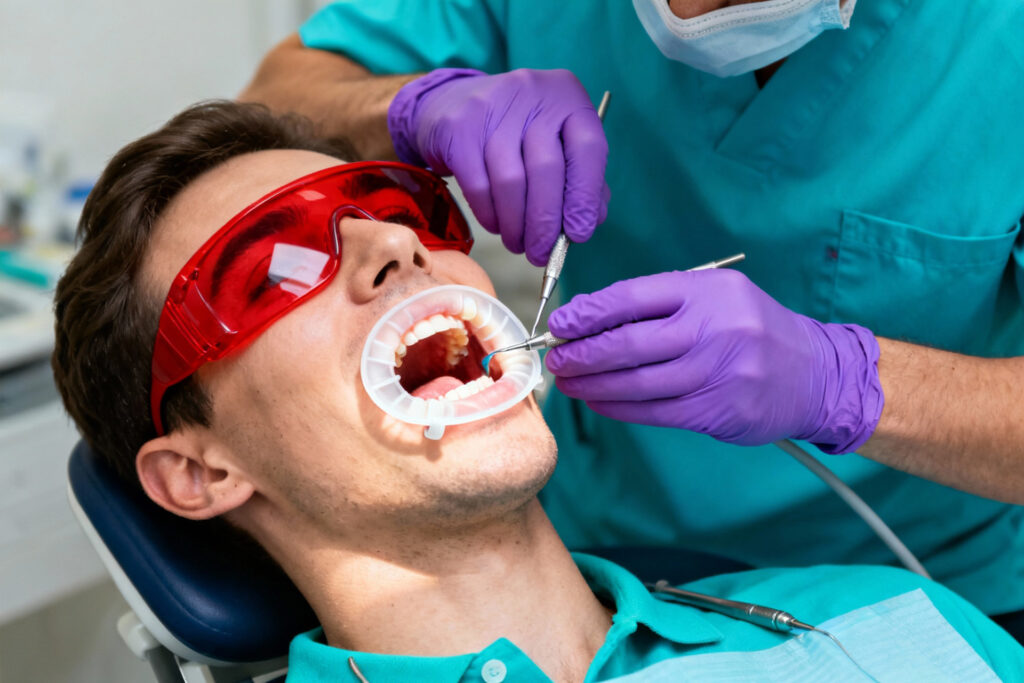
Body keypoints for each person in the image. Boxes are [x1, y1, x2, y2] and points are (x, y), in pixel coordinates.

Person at [50, 101, 1023, 681]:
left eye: (402, 213)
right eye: (266, 272)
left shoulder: (889, 621)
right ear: (198, 469)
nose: (395, 247)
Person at [238, 0, 1024, 634]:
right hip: (602, 543)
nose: (398, 250)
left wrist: (845, 382)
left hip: (932, 577)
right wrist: (410, 106)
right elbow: (275, 98)